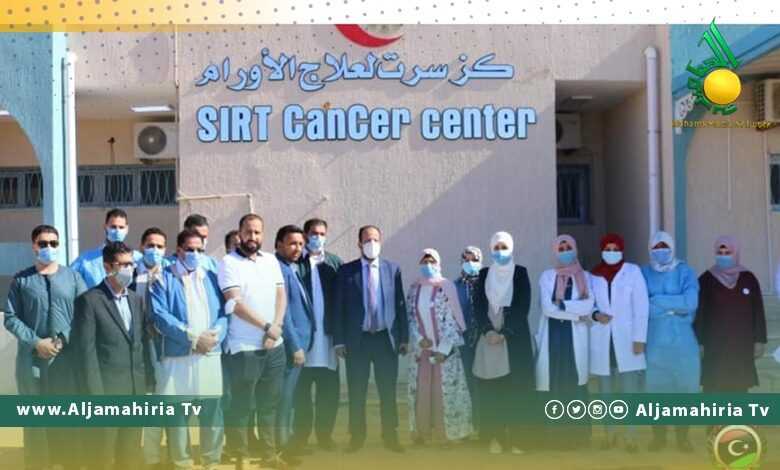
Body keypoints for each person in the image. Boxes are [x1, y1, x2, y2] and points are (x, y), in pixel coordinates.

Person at [4, 225, 87, 470]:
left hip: (65, 360)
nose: (48, 247)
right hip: (32, 362)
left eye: (53, 243)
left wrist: (61, 339)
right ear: (34, 246)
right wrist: (36, 342)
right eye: (43, 243)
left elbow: (84, 313)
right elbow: (11, 317)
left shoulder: (73, 278)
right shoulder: (21, 280)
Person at [150, 229, 228, 470]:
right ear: (179, 251)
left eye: (200, 250)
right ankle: (181, 462)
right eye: (190, 249)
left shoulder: (212, 277)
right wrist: (193, 338)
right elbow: (160, 316)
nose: (195, 254)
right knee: (178, 415)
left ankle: (211, 460)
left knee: (211, 412)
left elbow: (224, 313)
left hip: (209, 354)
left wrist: (214, 335)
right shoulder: (163, 278)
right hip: (178, 356)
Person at [218, 214, 288, 470]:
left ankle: (269, 455)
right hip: (244, 348)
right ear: (239, 233)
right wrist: (267, 327)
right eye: (248, 232)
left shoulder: (271, 260)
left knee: (269, 405)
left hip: (274, 347)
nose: (253, 237)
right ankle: (241, 456)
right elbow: (235, 304)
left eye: (257, 232)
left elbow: (281, 294)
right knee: (242, 405)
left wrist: (276, 328)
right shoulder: (228, 262)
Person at [71, 241, 149, 470]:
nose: (129, 269)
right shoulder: (89, 301)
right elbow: (86, 353)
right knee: (102, 457)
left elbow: (141, 344)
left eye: (131, 264)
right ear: (107, 267)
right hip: (105, 394)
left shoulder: (135, 299)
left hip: (134, 392)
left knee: (130, 457)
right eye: (122, 265)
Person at [333, 225, 409, 453]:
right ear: (359, 244)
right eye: (367, 240)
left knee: (388, 390)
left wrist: (404, 337)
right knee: (357, 391)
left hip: (386, 340)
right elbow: (338, 307)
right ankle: (357, 436)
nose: (372, 244)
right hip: (358, 340)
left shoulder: (392, 270)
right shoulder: (346, 271)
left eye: (375, 239)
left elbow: (400, 305)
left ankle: (390, 435)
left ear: (380, 242)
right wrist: (339, 340)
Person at [473, 231, 533, 455]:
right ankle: (496, 438)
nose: (500, 252)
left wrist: (505, 333)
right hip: (489, 339)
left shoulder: (520, 272)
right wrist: (488, 330)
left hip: (514, 338)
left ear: (511, 247)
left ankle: (518, 439)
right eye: (496, 248)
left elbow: (523, 305)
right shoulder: (484, 274)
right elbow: (478, 305)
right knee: (493, 391)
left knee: (516, 390)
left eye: (504, 247)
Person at [640, 231, 700, 453]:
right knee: (657, 391)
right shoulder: (644, 273)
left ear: (672, 247)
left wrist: (657, 300)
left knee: (684, 390)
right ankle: (659, 437)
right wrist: (675, 306)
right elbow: (642, 306)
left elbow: (691, 302)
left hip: (683, 342)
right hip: (655, 340)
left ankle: (683, 437)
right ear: (650, 249)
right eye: (656, 247)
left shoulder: (685, 271)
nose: (661, 251)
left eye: (664, 246)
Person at [589, 233, 649, 453]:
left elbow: (641, 306)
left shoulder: (633, 272)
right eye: (608, 249)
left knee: (629, 391)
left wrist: (639, 338)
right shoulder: (593, 275)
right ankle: (609, 433)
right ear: (601, 250)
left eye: (616, 249)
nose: (611, 253)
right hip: (603, 340)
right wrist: (596, 315)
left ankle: (631, 436)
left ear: (622, 251)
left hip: (628, 339)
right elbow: (588, 303)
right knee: (605, 392)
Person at [407, 249, 472, 446]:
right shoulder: (415, 288)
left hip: (445, 352)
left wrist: (444, 349)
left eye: (432, 261)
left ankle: (452, 433)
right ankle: (423, 433)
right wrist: (419, 339)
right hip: (423, 352)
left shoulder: (446, 287)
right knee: (423, 393)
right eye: (424, 261)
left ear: (438, 264)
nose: (428, 265)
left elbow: (453, 319)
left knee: (447, 393)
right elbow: (410, 317)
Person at [536, 234, 594, 451]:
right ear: (555, 252)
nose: (565, 251)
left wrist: (563, 306)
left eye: (568, 247)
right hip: (553, 337)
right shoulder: (547, 276)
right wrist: (575, 313)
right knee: (554, 382)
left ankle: (577, 437)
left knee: (574, 383)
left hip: (574, 338)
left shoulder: (585, 276)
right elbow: (547, 308)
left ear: (575, 249)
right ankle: (554, 438)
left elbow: (588, 306)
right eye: (561, 248)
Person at [289, 218, 342, 452]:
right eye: (313, 233)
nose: (317, 238)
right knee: (301, 394)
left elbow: (342, 301)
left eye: (321, 233)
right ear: (305, 235)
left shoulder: (334, 263)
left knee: (328, 393)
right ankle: (300, 436)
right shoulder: (295, 264)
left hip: (328, 341)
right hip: (304, 342)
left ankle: (324, 436)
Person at [694, 236, 767, 393]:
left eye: (728, 252)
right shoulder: (706, 279)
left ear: (736, 253)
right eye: (720, 253)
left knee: (739, 387)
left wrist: (760, 340)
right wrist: (699, 342)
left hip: (741, 344)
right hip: (714, 345)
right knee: (714, 387)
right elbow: (699, 313)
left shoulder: (748, 278)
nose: (724, 256)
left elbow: (758, 310)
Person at [273, 225, 313, 454]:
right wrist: (295, 345)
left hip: (301, 343)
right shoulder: (279, 269)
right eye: (292, 244)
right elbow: (284, 313)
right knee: (285, 398)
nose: (298, 248)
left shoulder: (291, 267)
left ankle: (286, 441)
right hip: (291, 346)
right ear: (279, 245)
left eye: (300, 244)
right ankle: (283, 446)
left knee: (290, 397)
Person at [134, 227, 172, 470]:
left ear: (165, 250)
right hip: (142, 348)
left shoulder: (171, 274)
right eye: (150, 245)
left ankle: (176, 453)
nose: (154, 250)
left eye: (159, 246)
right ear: (141, 247)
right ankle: (152, 458)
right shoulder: (131, 274)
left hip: (169, 347)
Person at [70, 208, 142, 288]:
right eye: (113, 227)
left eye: (121, 227)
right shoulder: (86, 260)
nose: (117, 231)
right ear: (105, 227)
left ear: (127, 229)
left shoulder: (138, 258)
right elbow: (69, 282)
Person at [453, 245, 482, 438]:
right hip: (463, 341)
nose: (470, 263)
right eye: (466, 259)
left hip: (484, 339)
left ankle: (484, 424)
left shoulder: (486, 283)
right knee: (466, 383)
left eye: (474, 259)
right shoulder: (455, 286)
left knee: (484, 383)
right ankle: (468, 425)